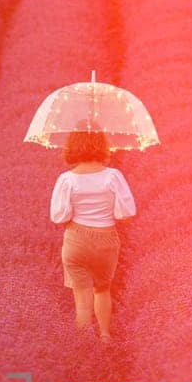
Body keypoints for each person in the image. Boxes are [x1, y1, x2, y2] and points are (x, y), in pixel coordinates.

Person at [50, 129, 136, 342]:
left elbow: (59, 216)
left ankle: (83, 345)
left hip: (76, 240)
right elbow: (126, 212)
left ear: (73, 147)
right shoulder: (113, 176)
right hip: (106, 239)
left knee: (82, 296)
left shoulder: (67, 179)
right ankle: (105, 337)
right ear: (103, 146)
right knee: (102, 290)